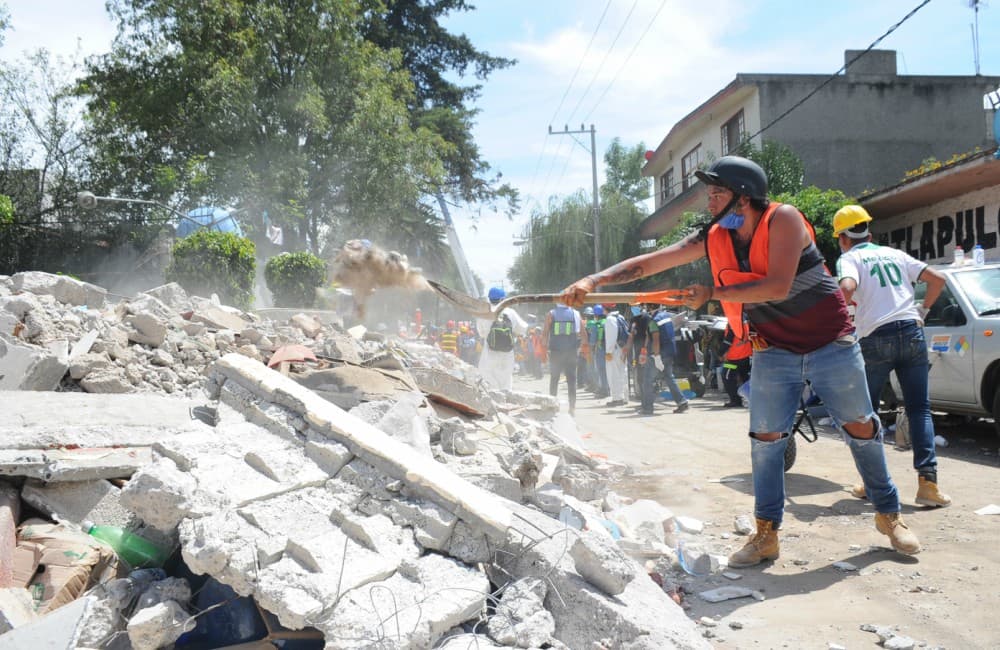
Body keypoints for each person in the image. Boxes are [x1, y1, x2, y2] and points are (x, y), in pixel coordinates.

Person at [560, 155, 920, 565]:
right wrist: (594, 281)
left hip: (829, 343)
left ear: (743, 198)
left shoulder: (783, 220)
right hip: (773, 349)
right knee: (766, 441)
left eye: (717, 194)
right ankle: (766, 533)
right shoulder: (715, 235)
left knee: (860, 428)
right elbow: (653, 261)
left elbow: (777, 286)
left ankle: (890, 516)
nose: (709, 203)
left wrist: (711, 293)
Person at [834, 204, 950, 508]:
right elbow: (938, 279)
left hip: (874, 338)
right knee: (919, 410)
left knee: (866, 414)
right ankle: (928, 485)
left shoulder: (849, 258)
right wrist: (922, 311)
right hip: (911, 332)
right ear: (869, 233)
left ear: (842, 238)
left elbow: (846, 288)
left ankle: (870, 483)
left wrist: (840, 320)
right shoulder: (896, 254)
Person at [476, 287, 529, 391]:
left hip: (490, 351)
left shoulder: (484, 312)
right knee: (506, 377)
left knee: (487, 373)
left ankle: (494, 396)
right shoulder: (510, 312)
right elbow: (522, 328)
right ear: (502, 299)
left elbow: (481, 333)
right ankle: (506, 399)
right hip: (507, 351)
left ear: (489, 298)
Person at [543, 302, 583, 416]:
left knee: (554, 379)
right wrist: (584, 348)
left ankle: (552, 406)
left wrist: (543, 350)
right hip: (571, 352)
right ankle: (572, 408)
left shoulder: (551, 314)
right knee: (571, 380)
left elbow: (545, 333)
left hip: (556, 352)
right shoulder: (575, 313)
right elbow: (582, 332)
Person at [624, 305, 664, 416]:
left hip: (644, 352)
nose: (634, 308)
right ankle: (645, 402)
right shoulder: (637, 319)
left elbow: (646, 335)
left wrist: (643, 350)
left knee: (644, 379)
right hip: (642, 352)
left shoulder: (644, 319)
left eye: (636, 306)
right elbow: (633, 336)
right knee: (643, 378)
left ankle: (646, 403)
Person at [653, 307, 690, 413]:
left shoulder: (655, 320)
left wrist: (656, 356)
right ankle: (682, 401)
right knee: (668, 377)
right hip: (670, 350)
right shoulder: (666, 316)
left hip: (663, 352)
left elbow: (656, 339)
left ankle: (682, 401)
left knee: (661, 376)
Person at [603, 304, 629, 407]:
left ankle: (617, 398)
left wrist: (608, 352)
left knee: (614, 374)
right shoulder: (620, 317)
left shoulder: (609, 319)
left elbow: (611, 337)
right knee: (623, 372)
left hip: (614, 351)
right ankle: (625, 397)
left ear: (605, 309)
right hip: (623, 348)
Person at [721, 326, 752, 407]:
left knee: (727, 377)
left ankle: (735, 401)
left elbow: (728, 341)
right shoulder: (747, 321)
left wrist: (720, 352)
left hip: (734, 358)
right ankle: (750, 399)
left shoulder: (733, 323)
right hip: (745, 356)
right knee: (745, 378)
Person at [591, 305, 610, 399]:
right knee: (610, 370)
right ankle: (610, 388)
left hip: (600, 350)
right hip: (610, 349)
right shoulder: (608, 321)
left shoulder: (596, 325)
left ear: (595, 314)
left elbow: (592, 341)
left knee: (601, 370)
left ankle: (604, 390)